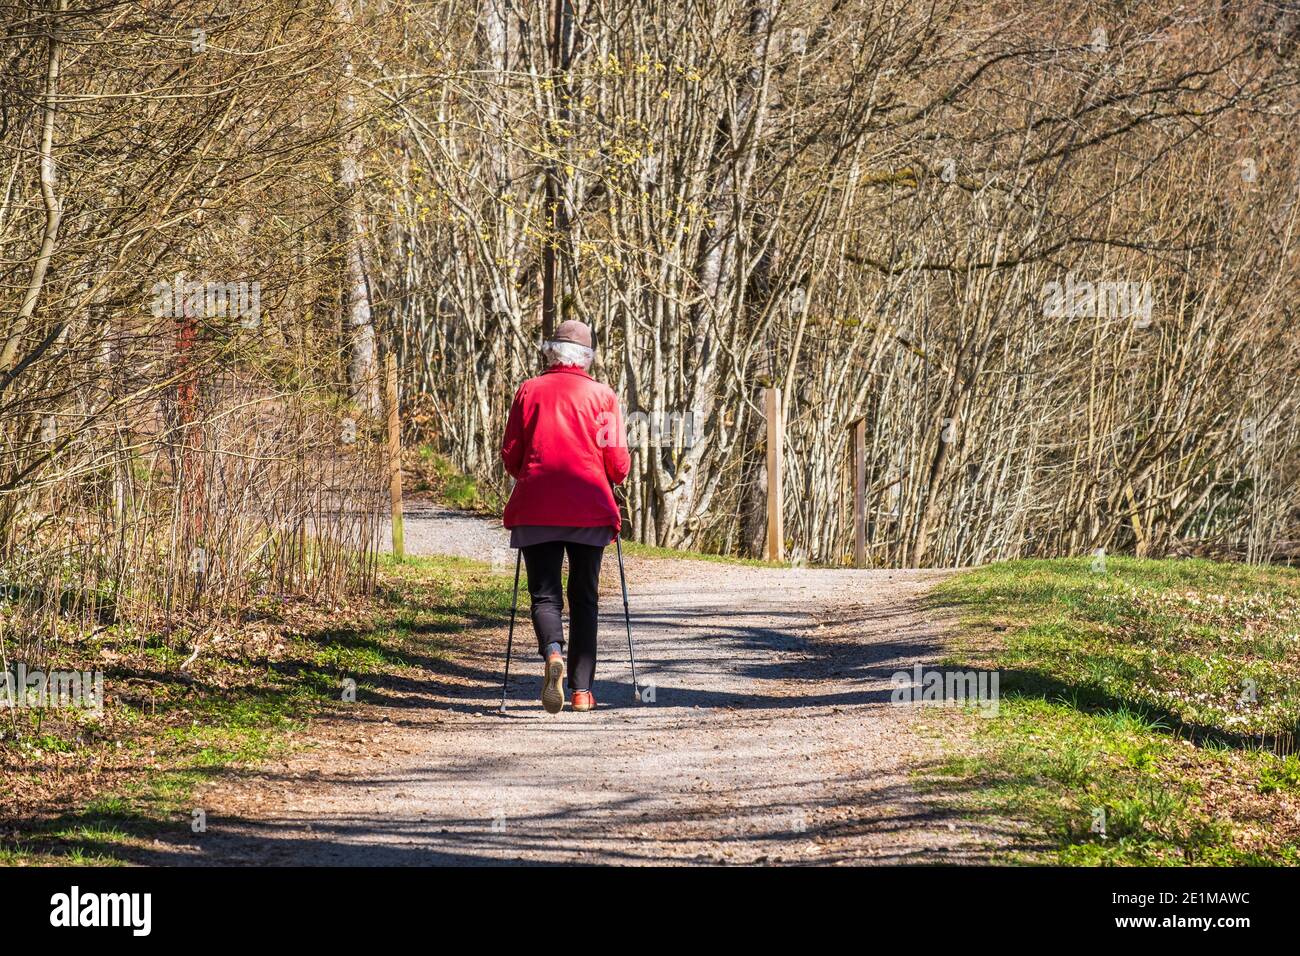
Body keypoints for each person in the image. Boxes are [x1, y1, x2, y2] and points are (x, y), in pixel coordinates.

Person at [500, 320, 630, 714]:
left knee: (545, 594)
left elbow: (511, 455)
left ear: (549, 352)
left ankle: (552, 652)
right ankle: (581, 692)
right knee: (584, 598)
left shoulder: (529, 390)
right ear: (587, 357)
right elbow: (618, 462)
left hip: (537, 507)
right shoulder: (602, 396)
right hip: (589, 508)